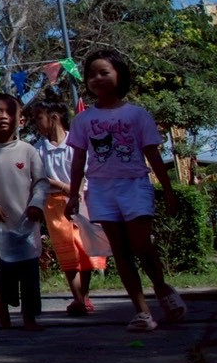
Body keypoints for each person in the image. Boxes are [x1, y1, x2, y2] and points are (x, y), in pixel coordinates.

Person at [65, 49, 186, 331]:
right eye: (91, 74)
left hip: (135, 186)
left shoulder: (137, 114)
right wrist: (73, 194)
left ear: (120, 75)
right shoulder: (83, 120)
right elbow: (78, 160)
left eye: (104, 72)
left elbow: (152, 154)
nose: (97, 78)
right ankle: (142, 311)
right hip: (101, 190)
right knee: (120, 251)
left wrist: (168, 191)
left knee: (141, 244)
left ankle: (163, 289)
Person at [0, 94, 47, 331]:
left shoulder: (28, 151)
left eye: (9, 112)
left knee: (31, 270)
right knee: (6, 268)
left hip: (28, 221)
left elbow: (42, 182)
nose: (3, 117)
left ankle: (29, 317)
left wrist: (37, 205)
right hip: (1, 224)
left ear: (21, 120)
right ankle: (2, 309)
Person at [32, 96, 105, 315]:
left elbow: (84, 173)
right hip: (54, 205)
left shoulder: (77, 143)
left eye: (39, 117)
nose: (36, 122)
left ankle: (84, 296)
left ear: (54, 118)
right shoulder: (38, 149)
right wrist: (60, 187)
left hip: (81, 200)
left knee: (85, 247)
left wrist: (68, 189)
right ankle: (78, 298)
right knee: (67, 250)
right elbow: (38, 178)